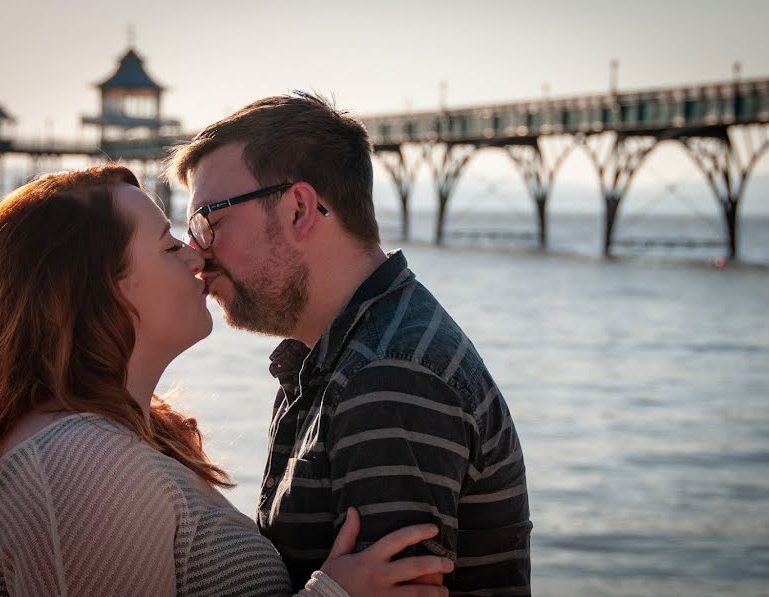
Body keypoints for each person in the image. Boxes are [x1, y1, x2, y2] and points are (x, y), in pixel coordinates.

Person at [0, 165, 454, 597]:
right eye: (167, 246)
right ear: (106, 291)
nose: (197, 255)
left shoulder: (104, 443)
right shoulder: (75, 465)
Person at [167, 92, 532, 595]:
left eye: (209, 220)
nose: (196, 253)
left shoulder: (388, 378)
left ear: (299, 208)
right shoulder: (339, 356)